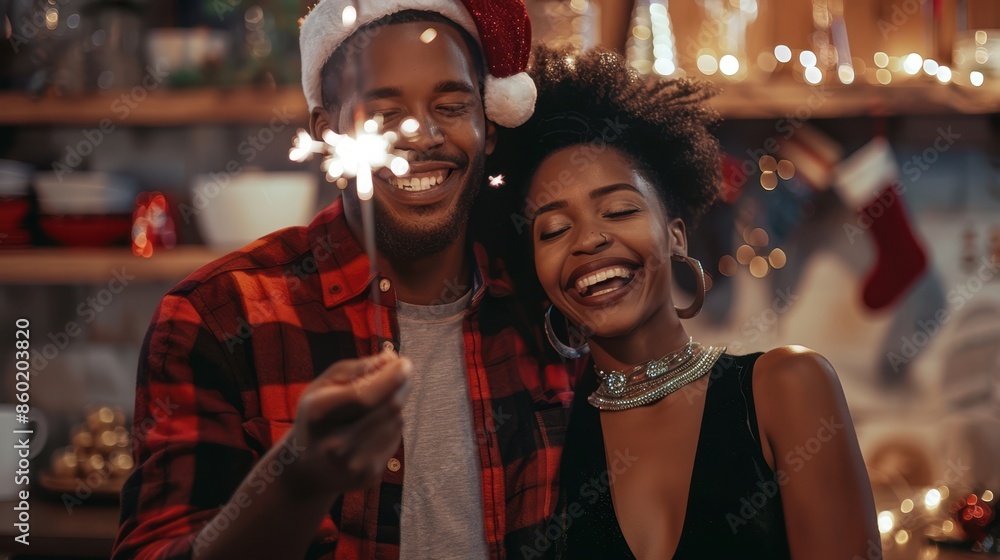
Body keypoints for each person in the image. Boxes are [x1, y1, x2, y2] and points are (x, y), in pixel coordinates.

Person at [112, 2, 577, 559]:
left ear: (489, 123)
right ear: (327, 133)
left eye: (452, 105)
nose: (424, 135)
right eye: (383, 113)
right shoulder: (215, 318)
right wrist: (297, 478)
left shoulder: (546, 301)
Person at [500, 46, 880, 559]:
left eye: (618, 209)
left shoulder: (787, 388)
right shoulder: (547, 445)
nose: (588, 240)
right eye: (555, 229)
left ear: (675, 236)